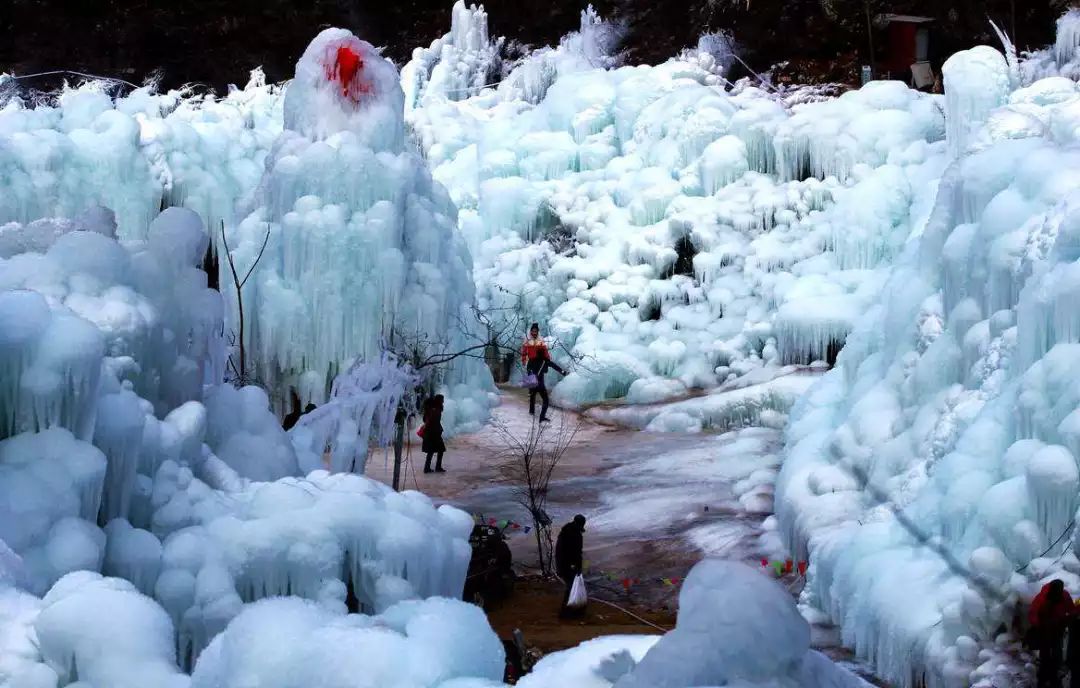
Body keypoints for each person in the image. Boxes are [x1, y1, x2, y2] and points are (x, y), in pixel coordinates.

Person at [1031, 579, 1074, 687]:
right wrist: (1038, 625)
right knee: (1046, 652)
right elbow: (1033, 612)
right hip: (1045, 629)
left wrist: (1069, 618)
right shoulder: (1043, 597)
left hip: (1057, 629)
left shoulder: (1064, 596)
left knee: (1056, 651)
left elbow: (1071, 609)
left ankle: (1053, 674)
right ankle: (1045, 676)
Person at [521, 323, 566, 423]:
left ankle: (532, 411)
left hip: (533, 365)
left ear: (537, 332)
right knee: (536, 393)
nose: (534, 332)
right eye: (532, 331)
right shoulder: (527, 341)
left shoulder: (540, 342)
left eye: (535, 331)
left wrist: (546, 359)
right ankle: (535, 413)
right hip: (532, 366)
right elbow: (524, 352)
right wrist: (525, 361)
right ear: (530, 331)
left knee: (533, 391)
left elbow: (545, 351)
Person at [554, 514, 586, 617]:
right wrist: (578, 567)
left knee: (571, 586)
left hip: (561, 563)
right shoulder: (575, 535)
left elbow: (560, 551)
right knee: (571, 587)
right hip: (568, 565)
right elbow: (576, 553)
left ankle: (570, 609)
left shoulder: (564, 531)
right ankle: (567, 611)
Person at [422, 394, 446, 474]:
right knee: (439, 450)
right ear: (439, 400)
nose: (443, 401)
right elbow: (433, 421)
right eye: (442, 399)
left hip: (431, 432)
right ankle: (436, 467)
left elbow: (426, 419)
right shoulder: (436, 409)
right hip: (433, 433)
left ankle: (428, 467)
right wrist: (438, 429)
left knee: (431, 451)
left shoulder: (432, 408)